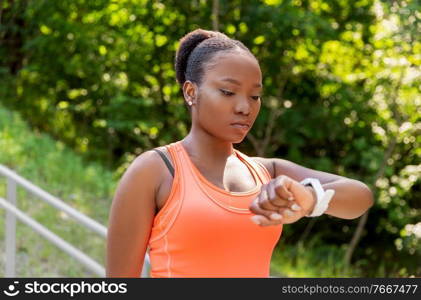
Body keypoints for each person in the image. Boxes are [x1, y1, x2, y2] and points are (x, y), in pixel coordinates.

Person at [106, 28, 374, 278]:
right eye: (228, 92)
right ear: (191, 92)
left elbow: (361, 196)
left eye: (255, 96)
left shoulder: (267, 172)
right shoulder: (155, 170)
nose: (245, 107)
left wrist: (310, 198)